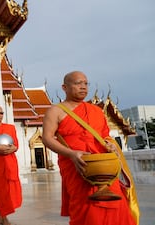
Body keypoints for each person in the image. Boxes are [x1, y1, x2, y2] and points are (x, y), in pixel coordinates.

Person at [42, 71, 137, 225]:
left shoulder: (96, 111)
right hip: (78, 167)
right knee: (86, 208)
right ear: (64, 87)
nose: (83, 87)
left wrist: (111, 144)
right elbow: (46, 138)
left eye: (86, 84)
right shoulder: (55, 111)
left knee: (115, 204)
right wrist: (72, 154)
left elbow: (105, 135)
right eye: (78, 83)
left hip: (104, 169)